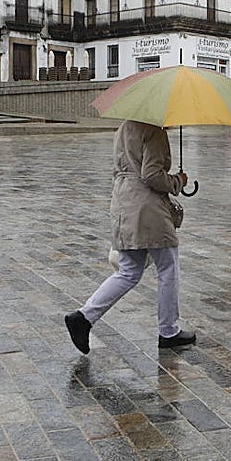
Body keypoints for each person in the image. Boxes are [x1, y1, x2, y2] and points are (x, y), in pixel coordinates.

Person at [64, 120, 196, 353]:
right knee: (168, 267)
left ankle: (83, 318)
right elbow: (151, 175)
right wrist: (177, 181)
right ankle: (169, 331)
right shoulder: (154, 132)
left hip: (123, 203)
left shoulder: (124, 128)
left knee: (129, 271)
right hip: (148, 208)